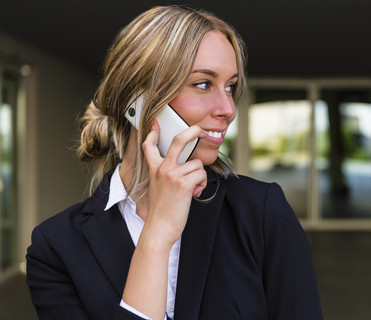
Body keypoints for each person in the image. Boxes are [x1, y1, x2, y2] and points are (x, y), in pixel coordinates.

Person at [26, 6, 323, 320]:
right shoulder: (55, 248)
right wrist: (158, 234)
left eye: (230, 87)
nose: (228, 108)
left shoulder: (261, 212)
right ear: (138, 101)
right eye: (204, 84)